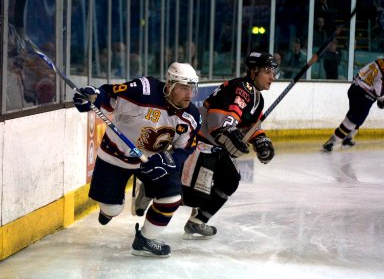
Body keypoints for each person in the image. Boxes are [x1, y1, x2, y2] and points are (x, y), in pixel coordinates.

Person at [73, 62, 200, 257]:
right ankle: (110, 208)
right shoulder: (144, 91)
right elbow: (109, 95)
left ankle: (144, 240)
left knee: (171, 198)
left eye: (192, 89)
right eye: (184, 88)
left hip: (150, 161)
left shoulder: (190, 115)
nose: (189, 95)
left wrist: (171, 159)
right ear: (170, 84)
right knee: (112, 210)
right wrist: (92, 98)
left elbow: (187, 146)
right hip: (115, 156)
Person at [180, 52, 277, 239]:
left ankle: (197, 221)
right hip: (201, 141)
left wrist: (260, 140)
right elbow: (219, 122)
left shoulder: (256, 96)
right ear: (254, 71)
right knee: (194, 196)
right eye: (267, 71)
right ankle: (155, 192)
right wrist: (228, 133)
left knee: (230, 180)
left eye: (273, 72)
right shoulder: (240, 89)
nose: (272, 77)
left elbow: (250, 125)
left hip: (215, 145)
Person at [322, 59, 384, 152]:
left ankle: (348, 138)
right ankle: (332, 141)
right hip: (364, 94)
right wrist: (382, 99)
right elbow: (378, 89)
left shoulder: (380, 61)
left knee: (361, 117)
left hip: (355, 88)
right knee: (352, 120)